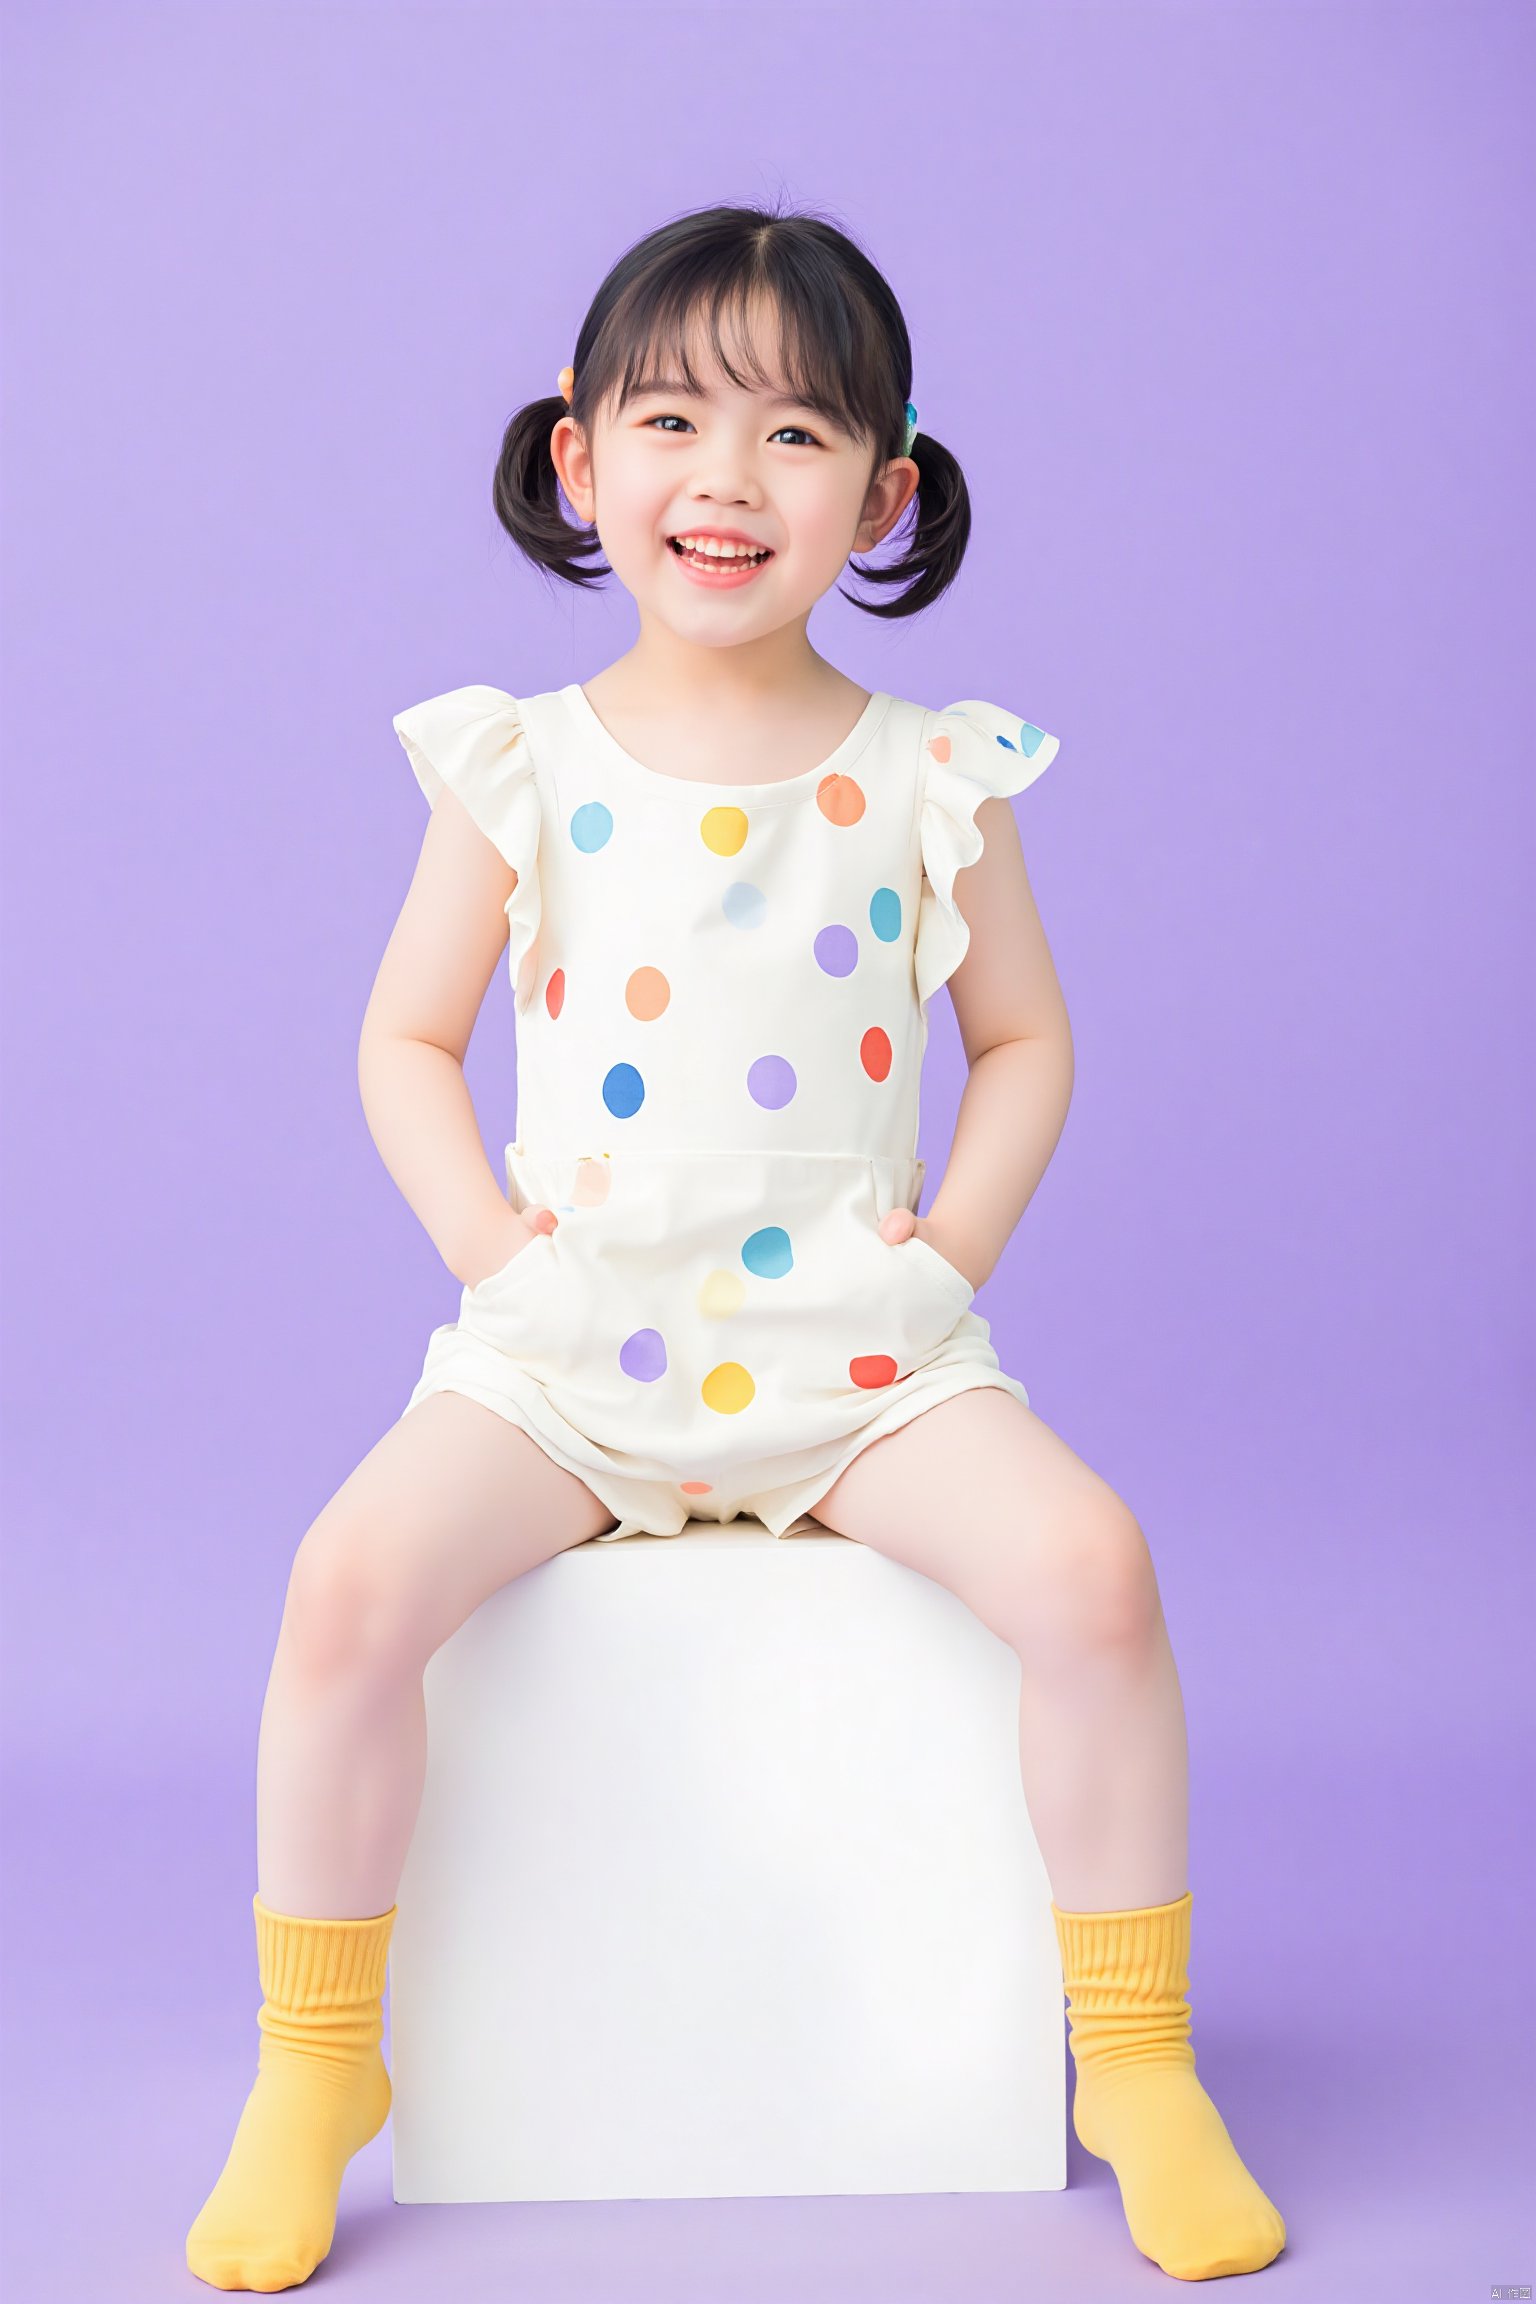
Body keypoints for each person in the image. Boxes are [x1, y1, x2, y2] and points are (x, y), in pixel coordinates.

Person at [186, 200, 1286, 2290]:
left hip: (855, 1354)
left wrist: (945, 1253)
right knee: (343, 1593)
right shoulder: (516, 760)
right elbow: (405, 1036)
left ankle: (1137, 2056)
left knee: (1094, 1570)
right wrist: (492, 1254)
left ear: (882, 494)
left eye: (794, 435)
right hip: (569, 1346)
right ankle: (316, 2062)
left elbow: (1028, 1039)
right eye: (673, 417)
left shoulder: (926, 774)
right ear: (577, 458)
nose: (726, 476)